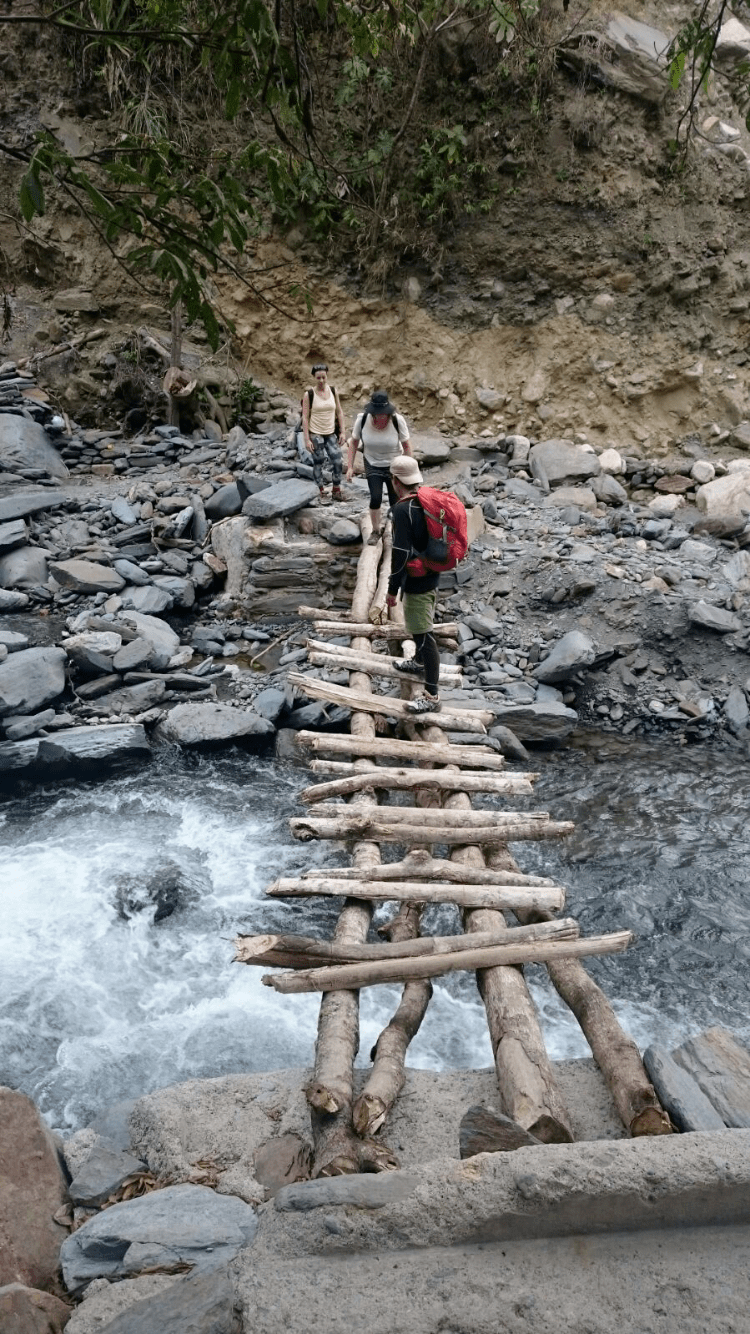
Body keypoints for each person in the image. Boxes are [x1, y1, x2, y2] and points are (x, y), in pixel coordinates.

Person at [385, 454, 441, 715]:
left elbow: (400, 554)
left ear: (395, 481)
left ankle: (432, 696)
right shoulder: (427, 500)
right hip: (431, 572)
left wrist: (391, 589)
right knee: (420, 625)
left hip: (417, 578)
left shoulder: (402, 509)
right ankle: (418, 662)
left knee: (423, 634)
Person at [346, 390, 414, 544]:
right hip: (372, 462)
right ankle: (376, 531)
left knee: (395, 501)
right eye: (378, 413)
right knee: (375, 497)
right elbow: (354, 443)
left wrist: (410, 470)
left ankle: (398, 532)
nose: (381, 416)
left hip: (394, 464)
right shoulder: (363, 419)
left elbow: (407, 446)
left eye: (384, 413)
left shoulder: (397, 420)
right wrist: (350, 467)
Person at [301, 363, 346, 502]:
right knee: (318, 462)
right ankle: (321, 491)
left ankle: (336, 490)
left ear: (327, 376)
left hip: (330, 433)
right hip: (316, 433)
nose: (321, 380)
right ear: (314, 378)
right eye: (318, 378)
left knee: (337, 461)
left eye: (323, 377)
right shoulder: (309, 395)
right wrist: (307, 439)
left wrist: (343, 432)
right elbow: (305, 417)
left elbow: (339, 411)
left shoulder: (333, 391)